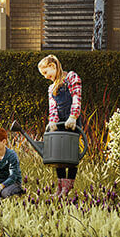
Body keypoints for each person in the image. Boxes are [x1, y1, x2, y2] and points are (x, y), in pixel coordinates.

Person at [39, 53, 83, 196]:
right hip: (59, 124)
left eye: (46, 72)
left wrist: (73, 117)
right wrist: (53, 122)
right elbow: (53, 108)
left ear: (53, 66)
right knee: (58, 155)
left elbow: (76, 97)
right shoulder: (51, 88)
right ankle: (60, 187)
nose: (45, 76)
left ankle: (68, 187)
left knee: (71, 155)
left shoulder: (71, 77)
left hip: (72, 122)